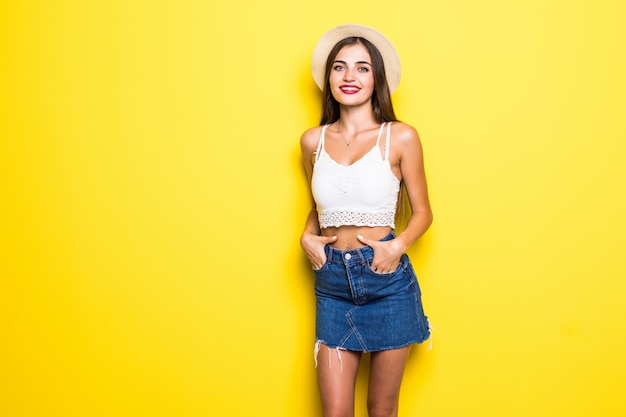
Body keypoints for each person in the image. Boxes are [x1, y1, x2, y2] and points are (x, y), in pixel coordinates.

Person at [299, 24, 433, 417]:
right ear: (328, 78)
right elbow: (320, 205)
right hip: (332, 285)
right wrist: (307, 237)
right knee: (336, 413)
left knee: (381, 408)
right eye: (339, 68)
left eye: (361, 68)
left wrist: (398, 245)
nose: (349, 77)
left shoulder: (401, 137)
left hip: (387, 282)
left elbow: (423, 212)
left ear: (377, 78)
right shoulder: (312, 141)